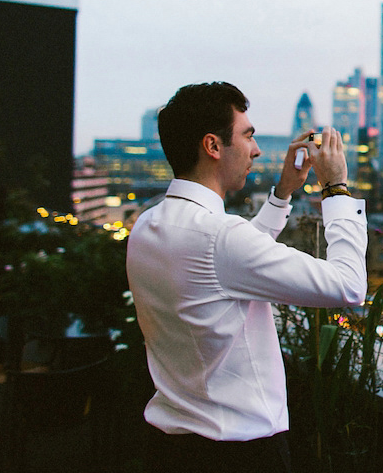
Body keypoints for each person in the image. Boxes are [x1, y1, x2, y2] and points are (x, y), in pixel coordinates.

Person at [126, 82, 367, 473]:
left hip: (169, 447)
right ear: (213, 146)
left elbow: (227, 265)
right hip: (238, 453)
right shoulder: (219, 237)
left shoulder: (147, 225)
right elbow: (349, 285)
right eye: (247, 135)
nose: (256, 150)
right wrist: (336, 189)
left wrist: (283, 193)